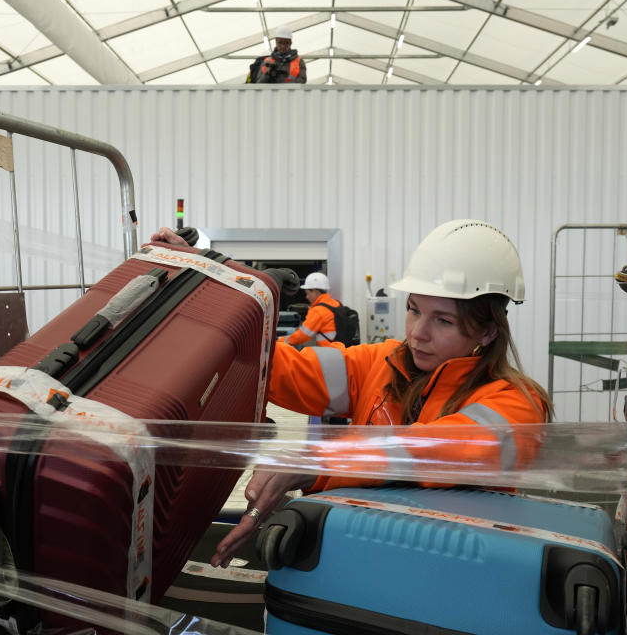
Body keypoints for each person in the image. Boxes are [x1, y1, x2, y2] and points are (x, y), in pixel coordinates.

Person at [149, 219, 552, 567]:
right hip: (362, 559)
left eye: (443, 320)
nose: (416, 333)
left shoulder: (518, 403)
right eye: (414, 310)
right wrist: (205, 290)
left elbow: (432, 450)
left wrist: (315, 461)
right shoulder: (381, 363)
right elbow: (275, 367)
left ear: (488, 329)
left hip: (453, 577)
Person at [279, 272, 340, 347]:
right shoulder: (336, 304)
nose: (307, 297)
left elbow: (303, 336)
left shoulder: (318, 311)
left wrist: (281, 340)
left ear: (315, 291)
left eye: (307, 293)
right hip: (340, 350)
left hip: (328, 352)